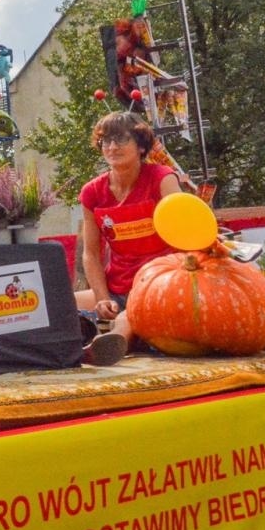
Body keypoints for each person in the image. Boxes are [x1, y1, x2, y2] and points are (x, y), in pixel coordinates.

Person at [75, 112, 180, 364]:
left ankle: (113, 341)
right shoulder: (91, 192)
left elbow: (184, 231)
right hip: (116, 288)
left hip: (162, 285)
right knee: (57, 305)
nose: (112, 147)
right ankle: (79, 340)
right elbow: (90, 253)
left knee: (129, 315)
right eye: (106, 141)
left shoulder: (163, 178)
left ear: (141, 146)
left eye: (121, 139)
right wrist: (102, 298)